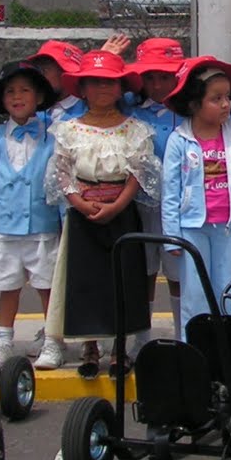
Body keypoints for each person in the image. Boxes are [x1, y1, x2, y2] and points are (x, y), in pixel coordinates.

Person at [44, 49, 158, 377]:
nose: (102, 90)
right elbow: (61, 171)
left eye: (109, 83)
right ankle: (89, 346)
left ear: (121, 87)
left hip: (121, 211)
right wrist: (78, 202)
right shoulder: (68, 129)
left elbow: (139, 171)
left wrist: (119, 204)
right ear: (82, 89)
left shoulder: (135, 129)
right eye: (93, 83)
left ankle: (121, 348)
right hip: (83, 212)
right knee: (87, 280)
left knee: (122, 278)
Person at [161, 56, 231, 330]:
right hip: (192, 228)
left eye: (227, 97)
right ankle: (193, 347)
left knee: (227, 289)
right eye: (216, 99)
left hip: (229, 227)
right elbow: (170, 191)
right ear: (195, 103)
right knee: (194, 292)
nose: (226, 104)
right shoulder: (178, 140)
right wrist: (172, 238)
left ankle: (227, 350)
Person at [0, 60, 61, 362]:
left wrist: (64, 222)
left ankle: (52, 340)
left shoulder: (53, 135)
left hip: (43, 224)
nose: (17, 97)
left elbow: (60, 181)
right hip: (5, 225)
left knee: (47, 285)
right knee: (7, 286)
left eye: (25, 90)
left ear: (38, 97)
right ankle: (3, 340)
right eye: (10, 91)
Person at [126, 37, 187, 333]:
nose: (158, 85)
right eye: (150, 77)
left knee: (179, 271)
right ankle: (141, 333)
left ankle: (182, 332)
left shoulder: (190, 111)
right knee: (144, 270)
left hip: (181, 205)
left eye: (165, 77)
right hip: (140, 203)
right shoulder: (130, 110)